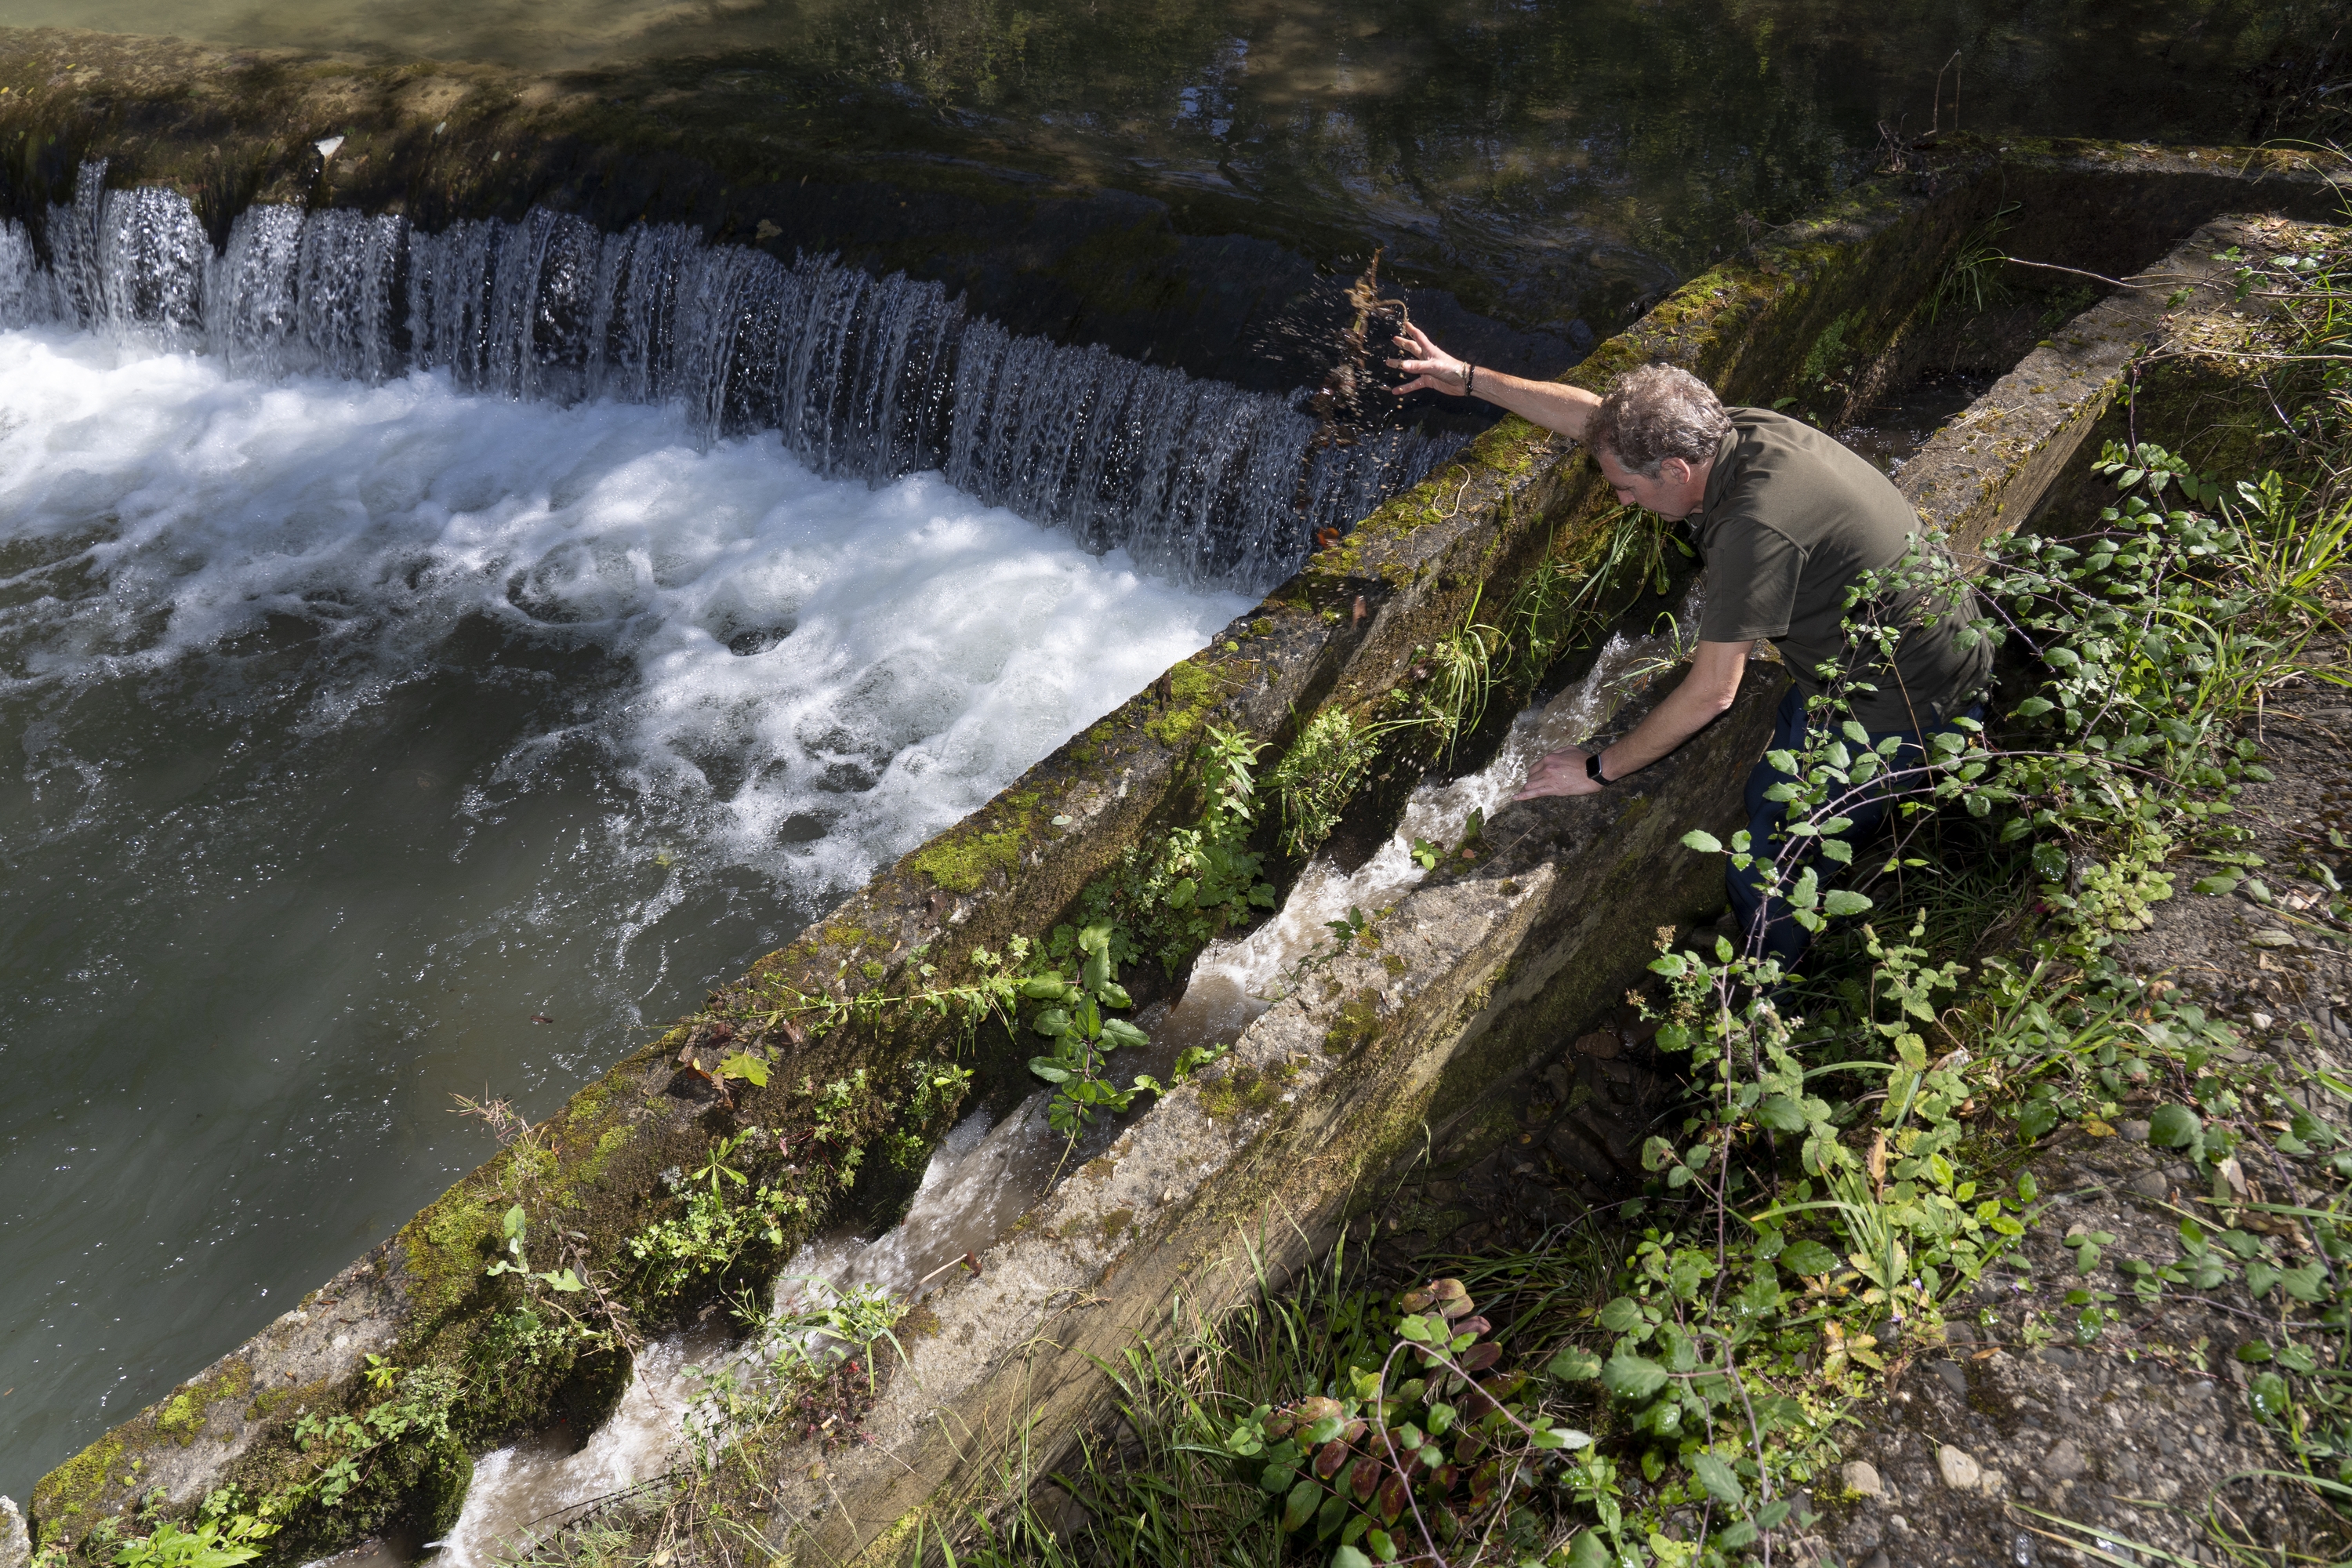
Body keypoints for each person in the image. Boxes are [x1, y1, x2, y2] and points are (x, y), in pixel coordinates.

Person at [1387, 325, 1990, 969]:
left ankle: (1765, 1008)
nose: (1621, 498)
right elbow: (1593, 418)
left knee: (1767, 866)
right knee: (1770, 792)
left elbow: (1712, 692)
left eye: (1627, 488)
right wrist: (1469, 378)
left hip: (1907, 703)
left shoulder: (1753, 529)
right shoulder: (1726, 433)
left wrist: (1598, 768)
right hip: (1870, 665)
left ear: (1675, 470)